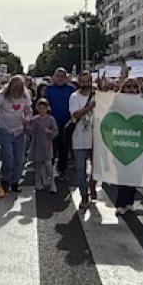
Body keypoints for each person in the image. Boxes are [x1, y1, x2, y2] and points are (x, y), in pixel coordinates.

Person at [114, 77, 143, 214]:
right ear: (123, 88)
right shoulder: (117, 100)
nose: (131, 89)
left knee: (135, 173)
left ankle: (129, 202)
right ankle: (120, 204)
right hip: (122, 140)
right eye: (128, 86)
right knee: (123, 173)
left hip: (138, 140)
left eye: (134, 87)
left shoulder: (142, 100)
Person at [0, 75, 32, 192]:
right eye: (15, 87)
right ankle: (5, 179)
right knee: (8, 157)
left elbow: (28, 110)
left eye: (19, 88)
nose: (17, 90)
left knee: (19, 159)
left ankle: (15, 181)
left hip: (19, 130)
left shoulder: (25, 95)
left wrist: (27, 118)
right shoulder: (2, 95)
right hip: (4, 129)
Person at [69, 71, 96, 208]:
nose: (85, 84)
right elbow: (75, 114)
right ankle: (84, 195)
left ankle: (92, 186)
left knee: (97, 169)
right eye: (83, 81)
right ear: (79, 82)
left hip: (96, 140)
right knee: (80, 170)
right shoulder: (74, 97)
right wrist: (89, 108)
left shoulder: (98, 95)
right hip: (79, 139)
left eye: (88, 81)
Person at [45, 68, 75, 181]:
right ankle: (50, 171)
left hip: (66, 123)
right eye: (58, 76)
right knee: (51, 149)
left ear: (66, 78)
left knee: (64, 148)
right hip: (51, 123)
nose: (60, 78)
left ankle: (62, 171)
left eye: (62, 76)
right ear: (54, 77)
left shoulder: (70, 89)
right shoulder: (49, 89)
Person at [28, 98, 58, 194]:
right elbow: (30, 131)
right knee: (38, 165)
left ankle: (52, 183)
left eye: (44, 108)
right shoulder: (34, 120)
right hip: (37, 144)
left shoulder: (51, 119)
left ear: (47, 108)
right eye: (40, 108)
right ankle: (38, 181)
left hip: (47, 145)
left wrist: (49, 131)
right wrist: (27, 126)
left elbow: (55, 131)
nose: (42, 110)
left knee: (48, 165)